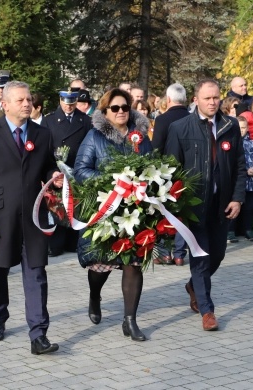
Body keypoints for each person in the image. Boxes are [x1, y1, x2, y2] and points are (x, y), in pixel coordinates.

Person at [0, 81, 62, 355]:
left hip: (33, 217)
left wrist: (53, 177)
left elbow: (47, 166)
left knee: (36, 274)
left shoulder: (42, 134)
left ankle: (38, 335)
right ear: (5, 104)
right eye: (20, 100)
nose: (27, 104)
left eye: (29, 99)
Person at [164, 79, 246, 331]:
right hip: (194, 205)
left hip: (222, 205)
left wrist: (237, 197)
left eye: (216, 98)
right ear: (196, 99)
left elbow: (240, 165)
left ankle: (193, 286)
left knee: (218, 255)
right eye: (207, 98)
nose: (212, 102)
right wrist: (178, 204)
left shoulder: (230, 126)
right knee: (201, 257)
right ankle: (207, 310)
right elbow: (171, 168)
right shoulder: (180, 128)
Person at [74, 88, 152, 341]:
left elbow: (152, 164)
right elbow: (81, 170)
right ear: (105, 111)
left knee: (133, 262)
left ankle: (130, 320)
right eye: (115, 108)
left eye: (125, 107)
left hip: (135, 209)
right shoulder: (94, 136)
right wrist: (113, 181)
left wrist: (144, 185)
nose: (121, 112)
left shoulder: (140, 135)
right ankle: (95, 296)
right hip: (106, 208)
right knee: (101, 265)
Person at [42, 88, 92, 256]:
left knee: (75, 208)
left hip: (77, 172)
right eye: (65, 103)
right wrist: (53, 173)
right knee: (58, 208)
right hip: (57, 174)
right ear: (60, 101)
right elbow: (44, 152)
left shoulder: (85, 120)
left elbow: (89, 147)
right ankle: (55, 244)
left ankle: (73, 242)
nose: (69, 107)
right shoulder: (48, 121)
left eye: (72, 103)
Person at [151, 83, 190, 266]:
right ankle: (180, 254)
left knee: (165, 212)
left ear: (168, 100)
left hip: (166, 173)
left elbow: (156, 149)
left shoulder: (162, 120)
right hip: (189, 173)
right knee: (183, 212)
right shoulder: (193, 119)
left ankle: (165, 253)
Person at [227, 116, 253, 243]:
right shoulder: (230, 143)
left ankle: (248, 230)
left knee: (249, 208)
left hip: (252, 183)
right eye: (238, 128)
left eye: (243, 128)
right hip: (236, 183)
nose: (241, 130)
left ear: (247, 128)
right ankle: (230, 231)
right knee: (233, 207)